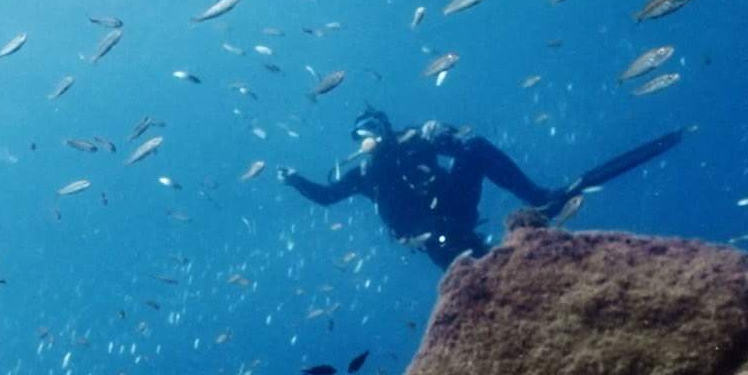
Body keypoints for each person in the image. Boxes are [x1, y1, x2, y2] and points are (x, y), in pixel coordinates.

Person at [277, 108, 683, 269]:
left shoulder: (415, 140)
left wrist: (446, 133)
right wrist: (293, 178)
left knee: (473, 147)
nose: (370, 136)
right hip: (427, 234)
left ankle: (542, 200)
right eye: (360, 133)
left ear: (386, 126)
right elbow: (326, 197)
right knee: (484, 266)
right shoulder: (364, 173)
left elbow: (460, 147)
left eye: (374, 127)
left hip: (455, 208)